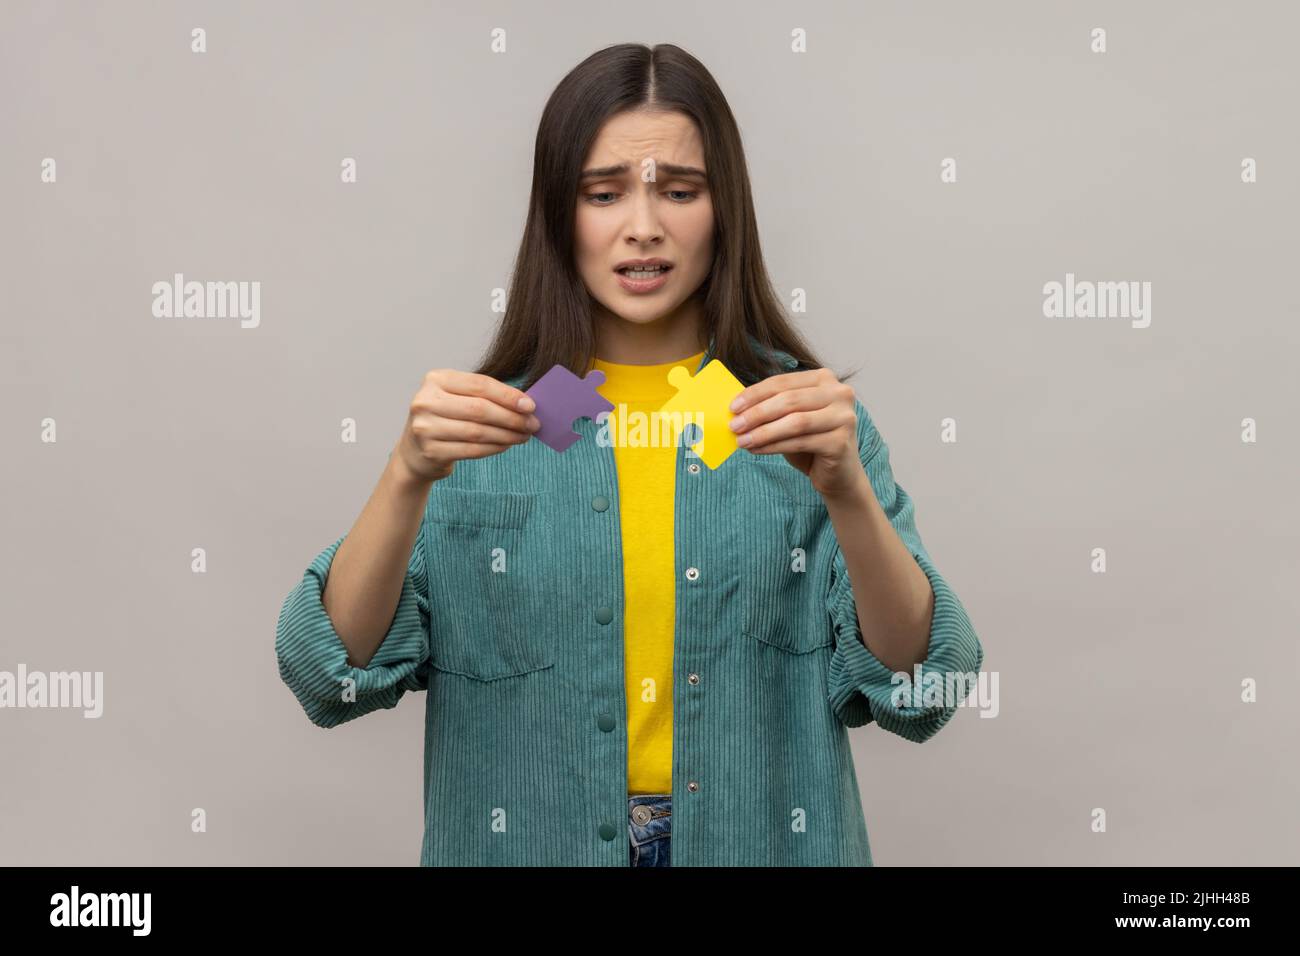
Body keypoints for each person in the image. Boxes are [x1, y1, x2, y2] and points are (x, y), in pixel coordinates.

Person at [275, 42, 984, 867]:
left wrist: (848, 493)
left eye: (679, 192)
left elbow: (925, 691)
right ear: (558, 214)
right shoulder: (497, 424)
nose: (643, 227)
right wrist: (405, 476)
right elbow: (329, 678)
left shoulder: (793, 420)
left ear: (725, 212)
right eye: (603, 194)